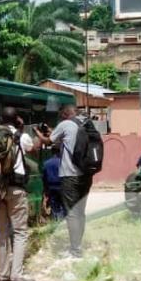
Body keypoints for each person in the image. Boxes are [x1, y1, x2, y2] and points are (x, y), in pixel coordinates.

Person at [36, 104, 93, 258]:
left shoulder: (65, 124)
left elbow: (48, 142)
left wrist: (38, 133)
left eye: (61, 116)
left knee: (72, 213)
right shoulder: (86, 123)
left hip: (70, 175)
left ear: (66, 114)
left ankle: (75, 250)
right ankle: (78, 244)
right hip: (87, 175)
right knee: (80, 212)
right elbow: (69, 143)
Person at [0, 107, 34, 281]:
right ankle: (16, 275)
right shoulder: (21, 136)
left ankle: (2, 275)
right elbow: (32, 148)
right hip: (17, 188)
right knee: (19, 232)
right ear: (16, 119)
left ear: (1, 118)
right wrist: (22, 129)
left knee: (2, 233)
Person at [42, 145, 65, 222]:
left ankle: (55, 221)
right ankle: (62, 222)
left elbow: (44, 178)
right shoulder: (62, 162)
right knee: (62, 205)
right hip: (62, 187)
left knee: (54, 206)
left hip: (51, 188)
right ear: (59, 152)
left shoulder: (46, 163)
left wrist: (45, 190)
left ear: (52, 152)